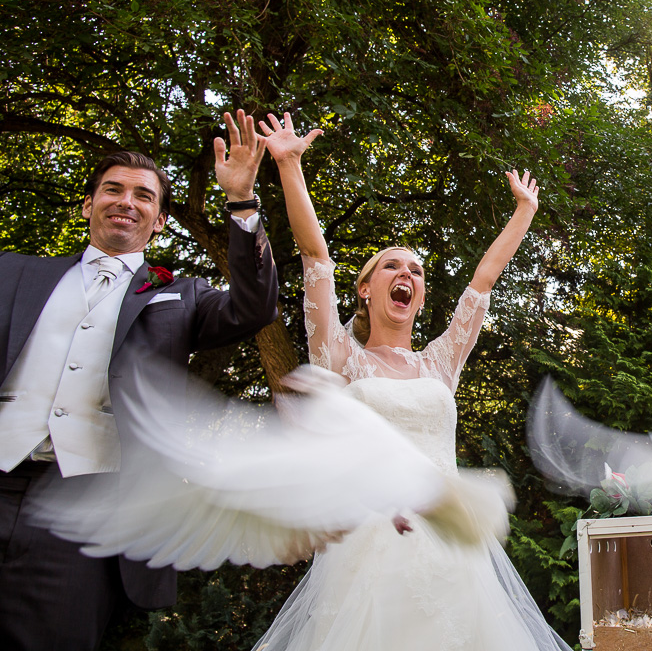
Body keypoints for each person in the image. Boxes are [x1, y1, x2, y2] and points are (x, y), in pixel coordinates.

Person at [254, 112, 569, 651]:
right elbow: (315, 257)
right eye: (392, 267)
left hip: (450, 548)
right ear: (365, 289)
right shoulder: (339, 357)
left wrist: (525, 211)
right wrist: (288, 166)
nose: (407, 275)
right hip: (368, 546)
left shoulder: (440, 363)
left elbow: (483, 280)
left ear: (421, 295)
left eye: (417, 271)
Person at [0, 110, 280, 650]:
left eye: (143, 196)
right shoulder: (14, 273)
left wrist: (242, 202)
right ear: (88, 205)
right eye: (113, 189)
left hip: (82, 507)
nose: (126, 201)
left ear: (158, 220)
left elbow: (255, 305)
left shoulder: (182, 297)